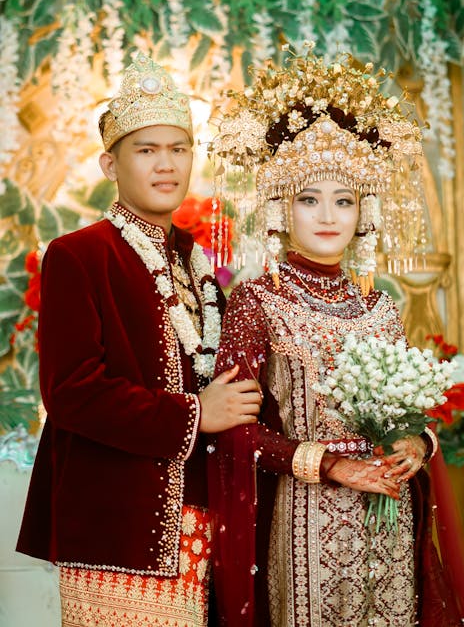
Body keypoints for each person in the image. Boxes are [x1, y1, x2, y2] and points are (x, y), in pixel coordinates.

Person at [208, 49, 464, 626]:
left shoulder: (382, 306)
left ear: (365, 212)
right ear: (282, 208)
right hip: (306, 516)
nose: (327, 215)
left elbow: (410, 417)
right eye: (309, 199)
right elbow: (236, 433)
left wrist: (416, 447)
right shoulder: (257, 301)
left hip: (389, 517)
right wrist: (331, 466)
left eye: (344, 200)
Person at [16, 52, 262, 627]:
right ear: (110, 163)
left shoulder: (197, 264)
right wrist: (196, 414)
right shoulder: (79, 256)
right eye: (146, 150)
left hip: (199, 518)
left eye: (179, 149)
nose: (166, 165)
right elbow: (72, 392)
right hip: (116, 526)